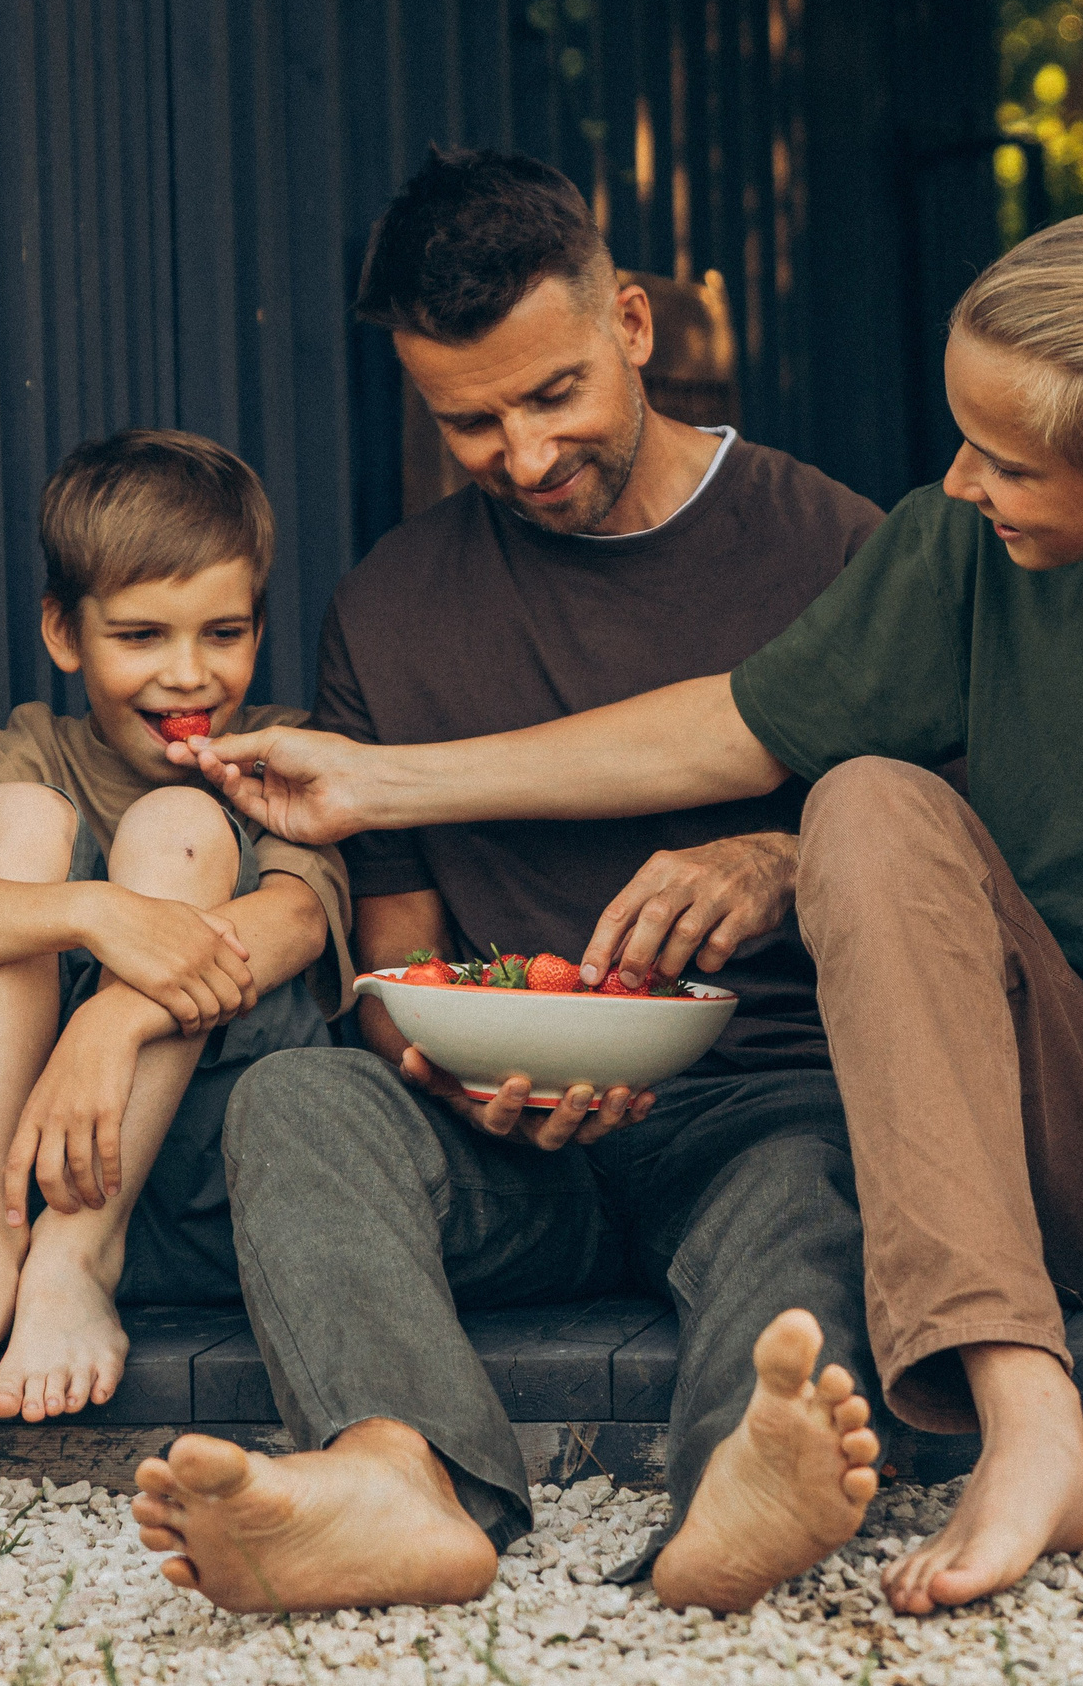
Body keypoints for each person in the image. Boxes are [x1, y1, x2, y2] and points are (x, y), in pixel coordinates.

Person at [174, 208, 1083, 1610]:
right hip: (1054, 1142)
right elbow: (734, 727)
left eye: (1006, 460)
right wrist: (380, 783)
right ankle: (1027, 1429)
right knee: (865, 796)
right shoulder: (956, 547)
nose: (957, 479)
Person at [128, 149, 886, 1617]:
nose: (525, 456)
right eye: (468, 421)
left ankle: (741, 1481)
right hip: (510, 1143)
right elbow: (393, 964)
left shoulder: (834, 544)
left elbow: (945, 838)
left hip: (764, 1098)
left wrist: (781, 857)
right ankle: (395, 1479)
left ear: (633, 326)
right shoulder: (390, 605)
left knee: (819, 1183)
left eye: (553, 397)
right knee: (297, 1100)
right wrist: (451, 1073)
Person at [0, 431, 352, 1424]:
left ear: (258, 627)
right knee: (15, 821)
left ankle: (78, 1256)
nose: (188, 674)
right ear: (64, 632)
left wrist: (108, 1021)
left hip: (220, 1201)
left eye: (223, 632)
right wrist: (95, 913)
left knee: (179, 825)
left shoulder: (283, 754)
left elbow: (295, 919)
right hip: (17, 1190)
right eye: (141, 635)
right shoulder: (26, 750)